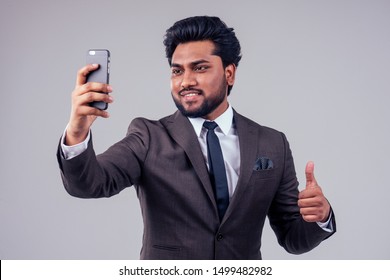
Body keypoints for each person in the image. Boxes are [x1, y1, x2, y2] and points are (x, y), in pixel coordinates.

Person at [57, 16, 336, 260]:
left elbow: (293, 238)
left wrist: (320, 217)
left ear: (229, 73)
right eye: (177, 70)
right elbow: (89, 184)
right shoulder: (148, 136)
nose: (185, 81)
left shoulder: (272, 143)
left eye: (199, 68)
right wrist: (78, 129)